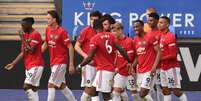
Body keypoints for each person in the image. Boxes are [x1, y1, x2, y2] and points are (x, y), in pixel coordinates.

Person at [78, 19, 132, 101]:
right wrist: (129, 61)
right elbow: (121, 49)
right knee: (92, 92)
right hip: (109, 69)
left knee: (106, 96)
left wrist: (80, 65)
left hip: (103, 70)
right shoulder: (111, 36)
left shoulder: (95, 38)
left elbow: (89, 57)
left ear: (94, 28)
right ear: (102, 26)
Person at [4, 17, 44, 101]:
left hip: (36, 64)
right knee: (33, 89)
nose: (21, 27)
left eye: (23, 25)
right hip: (29, 65)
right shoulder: (26, 35)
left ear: (29, 25)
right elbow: (23, 52)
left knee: (26, 86)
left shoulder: (35, 34)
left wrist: (22, 38)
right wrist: (13, 63)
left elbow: (31, 50)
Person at [42, 10, 77, 101]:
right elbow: (46, 43)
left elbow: (70, 47)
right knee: (61, 85)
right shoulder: (47, 29)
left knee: (51, 84)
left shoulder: (62, 32)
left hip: (60, 61)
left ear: (54, 19)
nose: (47, 20)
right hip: (53, 62)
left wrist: (71, 64)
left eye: (49, 19)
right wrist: (37, 53)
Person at [158, 16, 188, 101]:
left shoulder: (170, 36)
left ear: (167, 25)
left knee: (176, 91)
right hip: (163, 68)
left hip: (172, 68)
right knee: (165, 90)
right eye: (159, 22)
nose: (159, 24)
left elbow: (173, 55)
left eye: (161, 23)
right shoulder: (161, 35)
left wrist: (160, 59)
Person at [74, 10, 102, 101]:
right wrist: (86, 57)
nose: (93, 21)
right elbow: (76, 46)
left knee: (96, 90)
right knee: (89, 89)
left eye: (95, 20)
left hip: (101, 65)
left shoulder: (102, 32)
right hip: (89, 65)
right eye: (91, 19)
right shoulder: (86, 31)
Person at [132, 20, 161, 101]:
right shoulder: (135, 40)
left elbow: (159, 51)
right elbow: (137, 56)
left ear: (142, 27)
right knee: (143, 95)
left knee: (142, 93)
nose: (135, 29)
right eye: (134, 27)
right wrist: (132, 66)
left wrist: (154, 67)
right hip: (140, 70)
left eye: (137, 26)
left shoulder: (150, 36)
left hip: (149, 70)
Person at [110, 22, 139, 101]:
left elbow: (129, 60)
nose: (113, 33)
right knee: (116, 92)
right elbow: (115, 56)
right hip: (120, 73)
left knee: (134, 94)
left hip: (129, 72)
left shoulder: (129, 42)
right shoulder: (115, 41)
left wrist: (118, 68)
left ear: (120, 30)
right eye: (112, 31)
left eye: (115, 31)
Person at [147, 12, 164, 101]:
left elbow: (162, 50)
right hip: (148, 65)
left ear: (157, 21)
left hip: (159, 66)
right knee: (148, 87)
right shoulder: (147, 33)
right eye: (148, 21)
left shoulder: (161, 33)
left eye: (151, 20)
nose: (149, 22)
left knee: (159, 86)